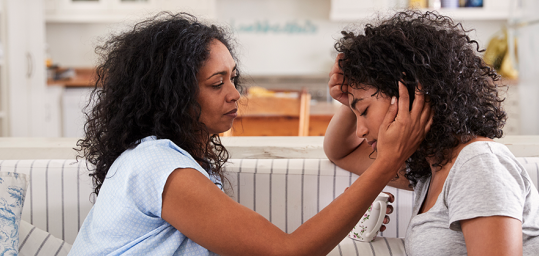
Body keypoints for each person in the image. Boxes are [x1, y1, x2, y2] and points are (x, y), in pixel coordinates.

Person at [69, 12, 432, 255]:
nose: (234, 94)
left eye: (233, 78)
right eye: (217, 83)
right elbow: (286, 252)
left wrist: (347, 105)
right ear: (173, 95)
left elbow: (338, 152)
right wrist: (386, 162)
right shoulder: (159, 167)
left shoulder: (168, 160)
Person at [323, 10, 539, 256]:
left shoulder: (478, 164)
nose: (360, 131)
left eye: (365, 111)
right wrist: (351, 101)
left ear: (408, 94)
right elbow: (340, 152)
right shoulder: (431, 170)